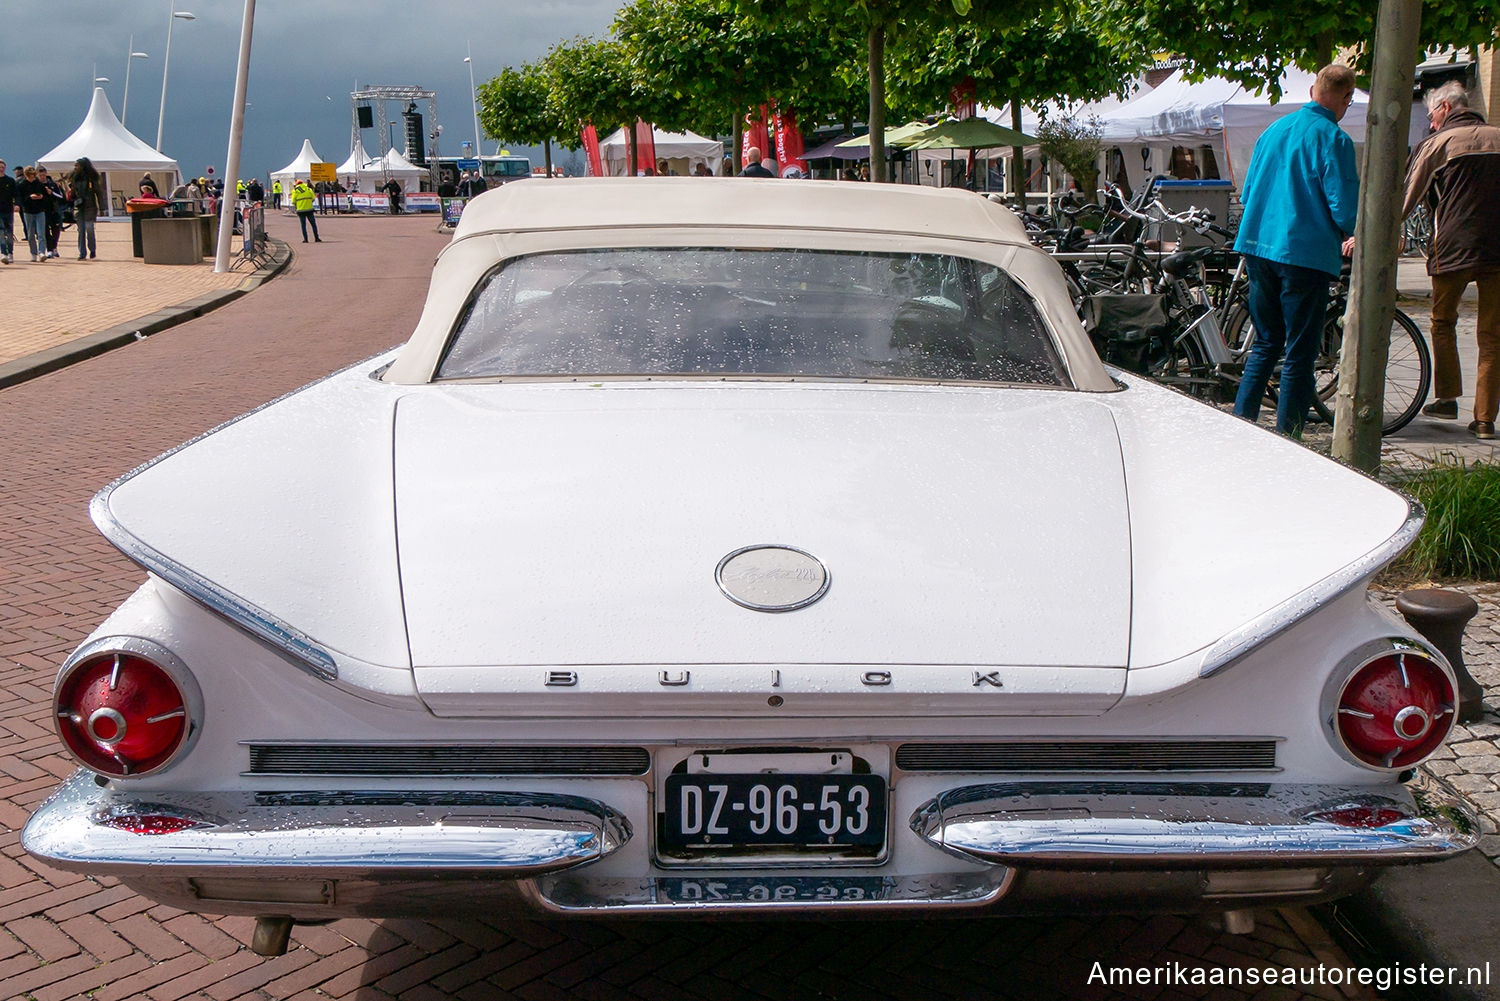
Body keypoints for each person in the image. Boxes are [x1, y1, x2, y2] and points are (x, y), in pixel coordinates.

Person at [1231, 63, 1360, 438]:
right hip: (1303, 252)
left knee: (1265, 344)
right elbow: (1345, 208)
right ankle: (1289, 437)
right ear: (1346, 99)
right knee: (1300, 352)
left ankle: (1241, 426)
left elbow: (1249, 191)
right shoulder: (1333, 139)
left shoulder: (1273, 130)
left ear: (1312, 91)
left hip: (1258, 244)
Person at [1402, 80, 1500, 440]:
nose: (1430, 123)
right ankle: (1486, 420)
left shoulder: (1438, 143)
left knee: (1443, 321)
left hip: (1454, 248)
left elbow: (1408, 195)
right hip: (1498, 252)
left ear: (1445, 108)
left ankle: (1446, 398)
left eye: (1431, 115)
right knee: (1492, 338)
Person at [67, 157, 104, 260]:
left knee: (89, 228)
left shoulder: (92, 178)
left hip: (90, 206)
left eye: (77, 165)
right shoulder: (74, 178)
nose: (75, 167)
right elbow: (72, 194)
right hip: (78, 207)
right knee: (80, 230)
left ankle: (92, 249)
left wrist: (102, 208)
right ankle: (82, 253)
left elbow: (99, 193)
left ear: (83, 167)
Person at [17, 165, 50, 262]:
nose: (32, 177)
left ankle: (42, 252)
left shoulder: (39, 184)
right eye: (30, 175)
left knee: (41, 233)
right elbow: (20, 199)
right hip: (28, 211)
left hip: (40, 211)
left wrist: (41, 197)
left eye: (33, 175)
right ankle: (33, 253)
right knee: (30, 234)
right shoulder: (21, 185)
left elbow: (46, 197)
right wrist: (29, 197)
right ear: (26, 175)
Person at [38, 167, 65, 259]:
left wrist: (51, 192)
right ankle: (49, 249)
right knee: (45, 231)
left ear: (46, 173)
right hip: (42, 211)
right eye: (40, 175)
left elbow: (61, 197)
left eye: (43, 175)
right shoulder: (36, 185)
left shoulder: (53, 184)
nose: (42, 177)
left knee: (56, 230)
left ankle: (54, 247)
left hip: (54, 210)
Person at [290, 178, 320, 242]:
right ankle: (316, 238)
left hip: (301, 210)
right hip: (309, 209)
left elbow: (293, 201)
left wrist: (297, 206)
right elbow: (313, 198)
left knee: (303, 225)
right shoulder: (308, 189)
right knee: (313, 224)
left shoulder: (295, 190)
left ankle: (306, 239)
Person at [0, 156, 15, 264]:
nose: (1, 169)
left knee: (9, 233)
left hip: (8, 210)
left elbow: (16, 194)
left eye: (3, 167)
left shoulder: (10, 181)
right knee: (1, 232)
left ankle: (10, 252)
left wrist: (17, 204)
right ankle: (4, 253)